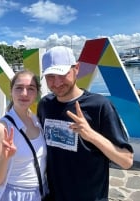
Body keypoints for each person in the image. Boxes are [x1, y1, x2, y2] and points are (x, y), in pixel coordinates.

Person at [37, 46, 134, 201]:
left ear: (77, 68)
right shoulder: (45, 105)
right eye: (50, 76)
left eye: (62, 74)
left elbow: (126, 161)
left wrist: (91, 135)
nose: (56, 83)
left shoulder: (99, 105)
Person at [0, 70, 49, 201]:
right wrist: (4, 157)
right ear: (11, 91)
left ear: (36, 93)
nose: (24, 93)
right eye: (19, 88)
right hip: (15, 195)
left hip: (41, 192)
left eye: (30, 88)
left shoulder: (37, 121)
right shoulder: (2, 128)